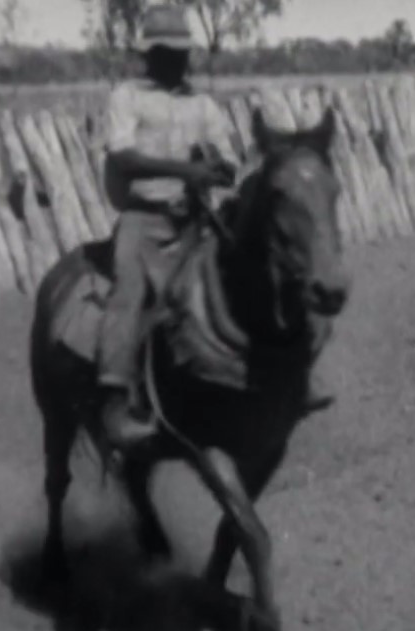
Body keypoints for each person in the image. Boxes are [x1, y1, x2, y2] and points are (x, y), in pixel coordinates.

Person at [98, 5, 332, 451]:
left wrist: (219, 167)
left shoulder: (202, 105)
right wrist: (184, 171)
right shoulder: (127, 97)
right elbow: (123, 158)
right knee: (128, 288)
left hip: (195, 218)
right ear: (150, 55)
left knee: (256, 271)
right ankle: (114, 398)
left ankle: (296, 373)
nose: (179, 60)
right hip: (142, 220)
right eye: (169, 52)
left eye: (183, 52)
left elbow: (227, 159)